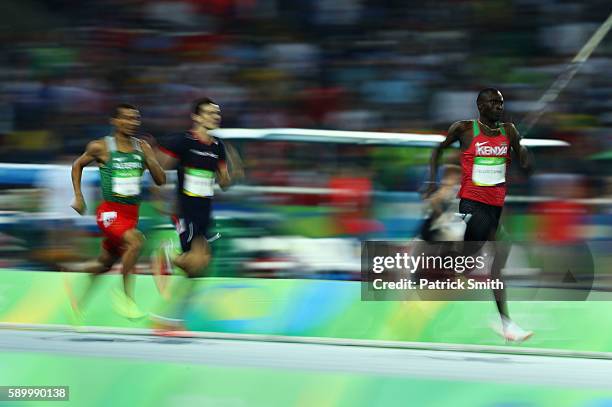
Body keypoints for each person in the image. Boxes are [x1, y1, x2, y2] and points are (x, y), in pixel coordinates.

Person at [425, 88, 534, 342]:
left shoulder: (509, 131)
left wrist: (523, 150)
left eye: (501, 102)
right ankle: (435, 266)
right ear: (480, 106)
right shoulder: (463, 129)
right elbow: (437, 150)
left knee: (489, 259)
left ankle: (505, 322)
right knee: (483, 250)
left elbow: (526, 167)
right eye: (493, 102)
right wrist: (432, 181)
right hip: (472, 203)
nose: (499, 106)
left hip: (495, 206)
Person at [152, 97, 243, 332]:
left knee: (199, 268)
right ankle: (168, 255)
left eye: (217, 113)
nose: (216, 117)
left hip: (204, 212)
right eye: (210, 113)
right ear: (197, 117)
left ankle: (170, 321)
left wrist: (235, 171)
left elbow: (223, 184)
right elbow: (159, 167)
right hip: (185, 211)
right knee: (196, 261)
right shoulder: (184, 142)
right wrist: (158, 196)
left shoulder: (218, 147)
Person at [67, 103, 166, 320]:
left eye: (136, 119)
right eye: (127, 118)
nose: (132, 123)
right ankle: (126, 298)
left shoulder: (142, 148)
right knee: (136, 242)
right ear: (115, 121)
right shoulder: (101, 147)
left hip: (131, 214)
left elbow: (161, 180)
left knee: (105, 263)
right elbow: (77, 165)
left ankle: (77, 299)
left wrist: (150, 158)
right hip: (109, 213)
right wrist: (79, 196)